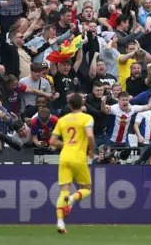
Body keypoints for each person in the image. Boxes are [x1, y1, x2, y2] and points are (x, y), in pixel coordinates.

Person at [49, 95, 95, 234]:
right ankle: (71, 199)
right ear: (82, 104)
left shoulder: (62, 120)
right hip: (78, 157)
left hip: (64, 157)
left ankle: (60, 222)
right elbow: (90, 135)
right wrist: (91, 150)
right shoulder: (87, 118)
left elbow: (52, 141)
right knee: (86, 189)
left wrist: (66, 144)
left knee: (63, 191)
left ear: (69, 105)